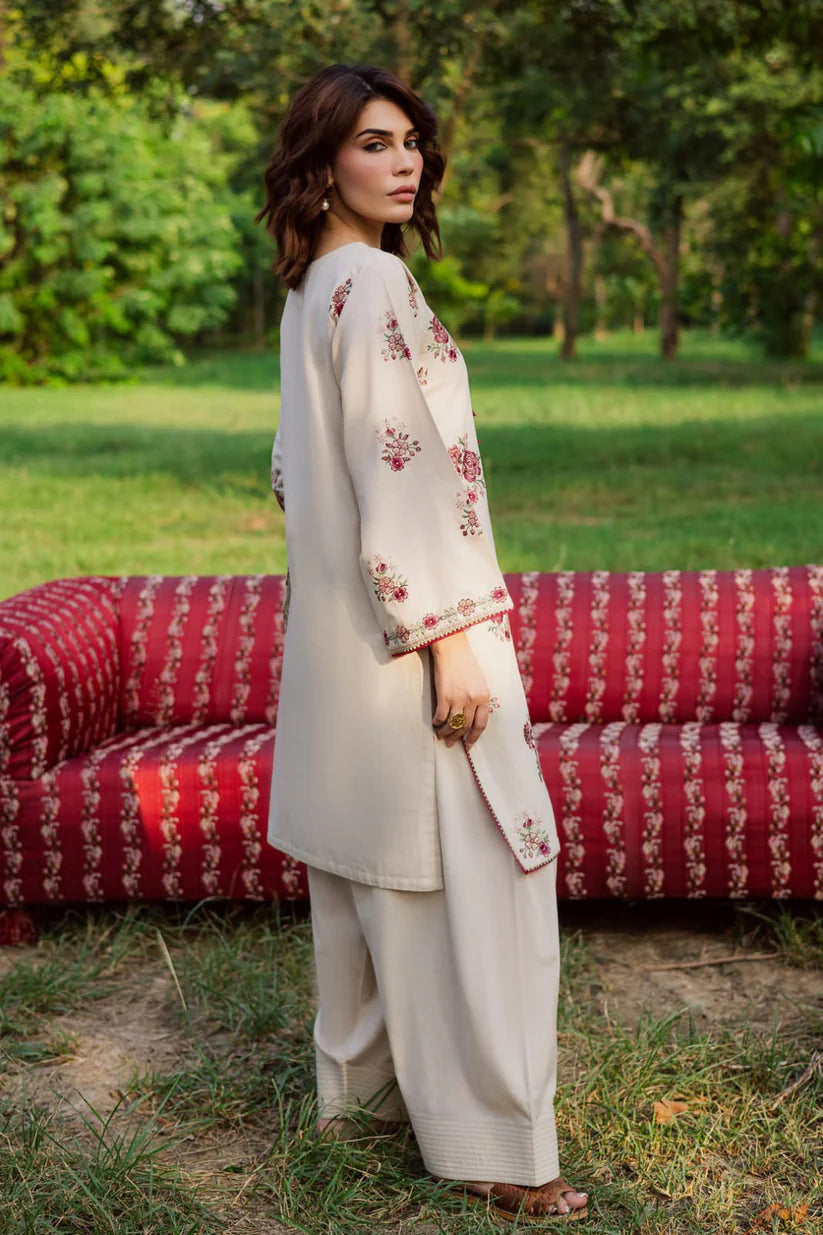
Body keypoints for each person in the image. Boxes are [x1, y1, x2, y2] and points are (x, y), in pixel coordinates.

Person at [256, 62, 589, 1223]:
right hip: (418, 635)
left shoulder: (313, 287)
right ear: (321, 164)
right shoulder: (372, 282)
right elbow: (394, 473)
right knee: (486, 888)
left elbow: (295, 472)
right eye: (372, 142)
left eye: (409, 141)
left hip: (343, 643)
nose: (402, 162)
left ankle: (364, 1109)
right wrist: (447, 638)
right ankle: (502, 1150)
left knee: (373, 884)